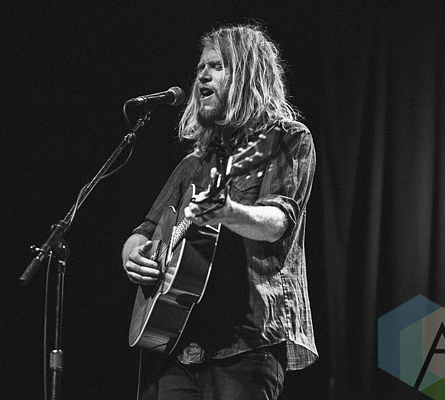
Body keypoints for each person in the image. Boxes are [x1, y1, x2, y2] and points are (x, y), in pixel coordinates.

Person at [122, 23, 317, 400]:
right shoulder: (192, 164)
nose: (202, 76)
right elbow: (144, 230)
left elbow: (278, 222)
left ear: (248, 74)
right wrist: (132, 255)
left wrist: (227, 211)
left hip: (246, 344)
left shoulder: (286, 139)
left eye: (217, 66)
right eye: (200, 68)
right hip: (177, 345)